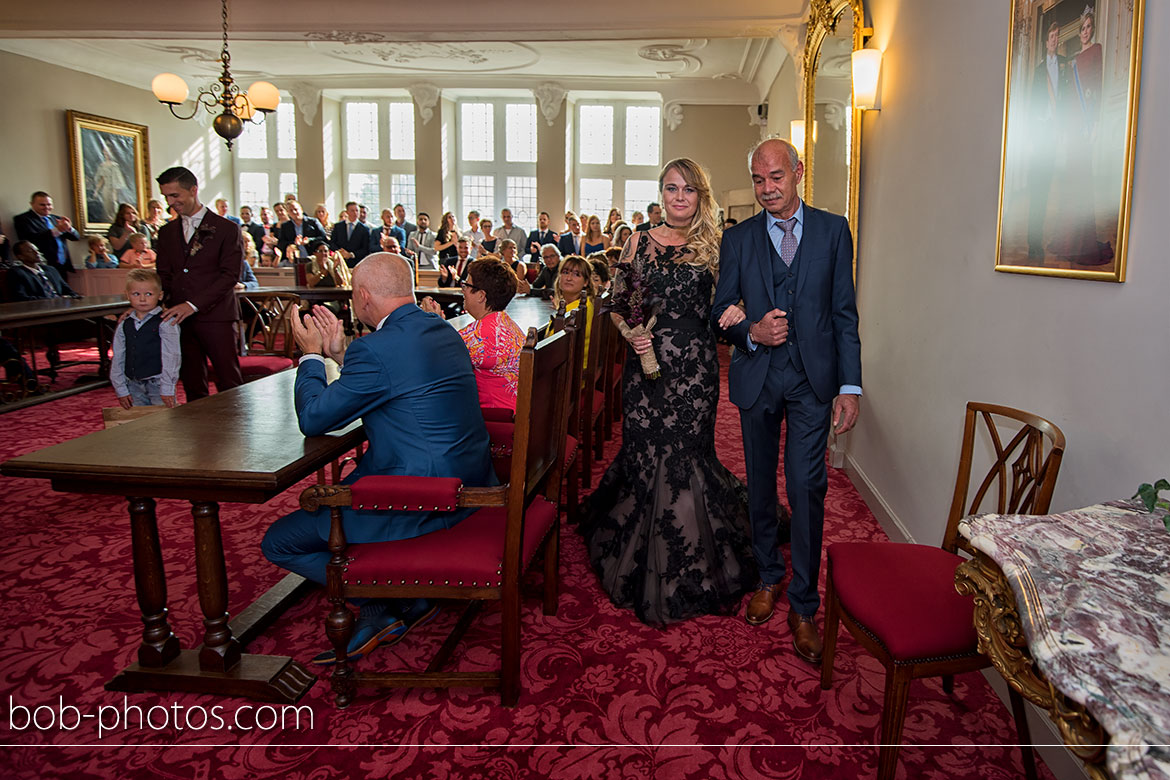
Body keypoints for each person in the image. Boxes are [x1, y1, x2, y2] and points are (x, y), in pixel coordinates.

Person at [261, 253, 495, 665]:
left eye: (353, 294)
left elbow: (314, 419)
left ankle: (384, 600)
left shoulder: (377, 349)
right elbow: (400, 375)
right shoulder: (441, 329)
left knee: (278, 542)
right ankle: (407, 598)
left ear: (363, 296)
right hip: (468, 476)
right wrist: (342, 355)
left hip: (420, 496)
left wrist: (312, 355)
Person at [583, 158, 757, 627]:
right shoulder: (638, 239)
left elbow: (730, 301)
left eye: (688, 190)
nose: (679, 197)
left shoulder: (716, 245)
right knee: (643, 450)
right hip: (645, 367)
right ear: (661, 193)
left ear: (701, 195)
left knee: (686, 455)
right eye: (671, 188)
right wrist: (629, 332)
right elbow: (618, 301)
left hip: (695, 369)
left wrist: (740, 314)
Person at [711, 137, 860, 664]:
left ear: (798, 173)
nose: (766, 189)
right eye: (757, 179)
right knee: (759, 488)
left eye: (775, 177)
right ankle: (768, 578)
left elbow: (844, 312)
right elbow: (720, 312)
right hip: (757, 378)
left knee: (807, 487)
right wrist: (751, 330)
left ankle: (803, 603)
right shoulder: (740, 239)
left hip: (813, 382)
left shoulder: (832, 230)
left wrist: (850, 385)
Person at [155, 165, 245, 401]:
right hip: (179, 319)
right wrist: (151, 307)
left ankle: (236, 432)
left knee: (229, 381)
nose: (170, 202)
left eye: (175, 195)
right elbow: (163, 275)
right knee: (192, 381)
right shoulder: (165, 233)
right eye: (166, 196)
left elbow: (229, 276)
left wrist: (192, 304)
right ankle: (199, 434)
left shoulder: (227, 229)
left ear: (193, 190)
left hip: (217, 317)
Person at [1048, 7, 1112, 266]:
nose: (1085, 32)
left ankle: (1081, 240)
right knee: (1070, 180)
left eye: (1088, 27)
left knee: (1082, 180)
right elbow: (1069, 95)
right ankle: (1067, 237)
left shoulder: (1096, 51)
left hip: (1085, 125)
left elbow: (1096, 87)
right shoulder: (1073, 58)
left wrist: (1094, 123)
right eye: (1082, 28)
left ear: (1092, 30)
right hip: (1073, 124)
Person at [420, 257, 525, 410]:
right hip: (516, 409)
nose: (463, 291)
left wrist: (432, 322)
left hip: (496, 419)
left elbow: (433, 360)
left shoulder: (478, 336)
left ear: (481, 295)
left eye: (466, 285)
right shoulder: (505, 323)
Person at [6, 241, 81, 374]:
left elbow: (69, 292)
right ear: (20, 256)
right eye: (30, 251)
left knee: (108, 325)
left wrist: (72, 298)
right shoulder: (16, 273)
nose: (36, 253)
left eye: (36, 250)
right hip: (42, 318)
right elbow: (21, 299)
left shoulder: (50, 270)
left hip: (65, 313)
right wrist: (53, 301)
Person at [110, 268, 180, 409]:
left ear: (159, 296)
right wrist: (121, 388)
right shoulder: (125, 323)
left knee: (164, 423)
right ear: (127, 295)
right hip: (133, 384)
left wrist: (167, 387)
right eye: (136, 294)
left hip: (158, 383)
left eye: (148, 294)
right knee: (139, 425)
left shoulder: (166, 322)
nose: (142, 299)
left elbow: (172, 356)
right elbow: (118, 356)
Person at [545, 253, 595, 367]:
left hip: (568, 376)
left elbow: (550, 347)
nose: (569, 278)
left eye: (577, 274)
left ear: (586, 282)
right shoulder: (584, 302)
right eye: (565, 272)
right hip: (571, 369)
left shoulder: (574, 311)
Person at [15, 191, 81, 275]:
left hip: (62, 266)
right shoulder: (23, 219)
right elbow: (32, 240)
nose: (46, 207)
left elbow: (76, 237)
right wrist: (57, 230)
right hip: (42, 265)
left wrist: (69, 228)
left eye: (49, 204)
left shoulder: (56, 219)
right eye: (42, 205)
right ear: (32, 204)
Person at [330, 201, 371, 268]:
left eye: (357, 211)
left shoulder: (364, 229)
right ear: (347, 212)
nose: (355, 213)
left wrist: (351, 254)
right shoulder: (338, 226)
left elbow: (365, 249)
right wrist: (340, 252)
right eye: (352, 211)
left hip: (356, 262)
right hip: (340, 261)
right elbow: (332, 243)